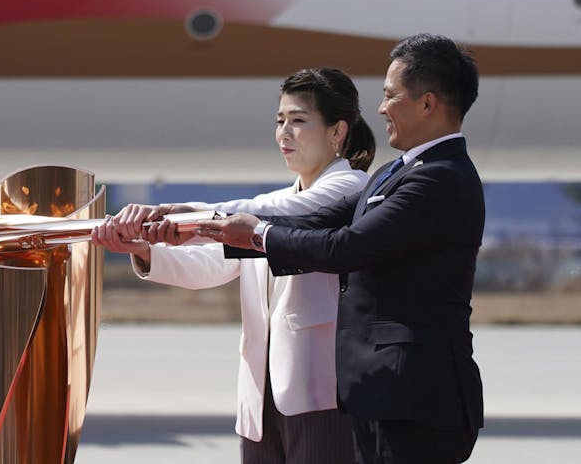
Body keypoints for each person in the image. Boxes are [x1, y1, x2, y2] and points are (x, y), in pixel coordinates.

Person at [187, 34, 485, 464]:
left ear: (427, 103)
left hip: (417, 398)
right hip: (378, 395)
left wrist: (258, 234)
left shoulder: (439, 178)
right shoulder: (395, 173)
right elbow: (309, 221)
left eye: (390, 95)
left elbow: (349, 247)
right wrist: (199, 221)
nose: (381, 109)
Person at [95, 68, 373, 463]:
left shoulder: (349, 190)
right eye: (280, 122)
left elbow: (279, 214)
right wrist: (143, 249)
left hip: (322, 393)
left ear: (337, 132)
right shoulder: (269, 204)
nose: (284, 134)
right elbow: (210, 266)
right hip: (261, 397)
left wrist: (185, 215)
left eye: (298, 121)